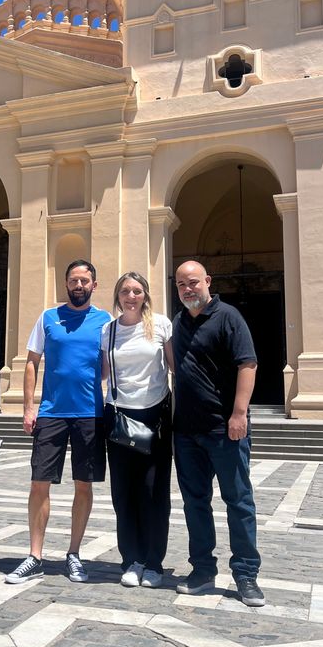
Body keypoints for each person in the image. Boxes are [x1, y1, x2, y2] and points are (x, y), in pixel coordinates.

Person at [5, 260, 110, 584]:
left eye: (85, 281)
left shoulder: (105, 321)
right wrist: (28, 407)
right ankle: (35, 555)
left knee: (84, 484)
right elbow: (32, 363)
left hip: (90, 413)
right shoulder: (48, 318)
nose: (79, 285)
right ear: (66, 284)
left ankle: (74, 554)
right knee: (39, 483)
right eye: (74, 280)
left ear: (94, 285)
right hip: (50, 413)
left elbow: (108, 365)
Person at [172, 260, 264, 607]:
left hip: (225, 430)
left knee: (238, 502)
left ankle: (245, 574)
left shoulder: (229, 317)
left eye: (193, 282)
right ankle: (202, 570)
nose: (187, 289)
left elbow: (248, 363)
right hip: (186, 433)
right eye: (181, 284)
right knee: (195, 504)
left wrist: (239, 413)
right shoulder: (179, 323)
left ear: (207, 281)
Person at [101, 272, 173, 589]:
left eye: (137, 291)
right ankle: (131, 559)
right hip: (119, 415)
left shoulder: (161, 325)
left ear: (145, 295)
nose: (131, 296)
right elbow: (101, 371)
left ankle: (154, 562)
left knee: (154, 491)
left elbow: (176, 367)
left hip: (156, 414)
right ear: (118, 296)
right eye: (126, 291)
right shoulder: (109, 330)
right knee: (123, 493)